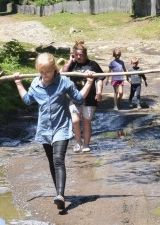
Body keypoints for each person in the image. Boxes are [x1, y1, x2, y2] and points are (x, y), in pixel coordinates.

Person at [13, 52, 95, 210]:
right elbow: (28, 100)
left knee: (58, 159)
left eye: (48, 72)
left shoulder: (63, 82)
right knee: (52, 162)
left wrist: (89, 82)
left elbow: (78, 98)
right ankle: (59, 192)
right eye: (42, 72)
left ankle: (60, 194)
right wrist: (18, 84)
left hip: (61, 128)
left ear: (54, 69)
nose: (45, 75)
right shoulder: (36, 84)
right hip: (44, 130)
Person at [61, 41, 105, 153]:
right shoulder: (72, 64)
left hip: (89, 99)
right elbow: (63, 73)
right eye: (77, 55)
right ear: (73, 54)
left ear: (85, 54)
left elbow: (100, 79)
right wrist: (70, 60)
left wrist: (99, 92)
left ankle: (86, 144)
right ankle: (78, 142)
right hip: (74, 97)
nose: (79, 57)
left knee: (86, 121)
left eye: (81, 54)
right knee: (75, 121)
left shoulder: (92, 64)